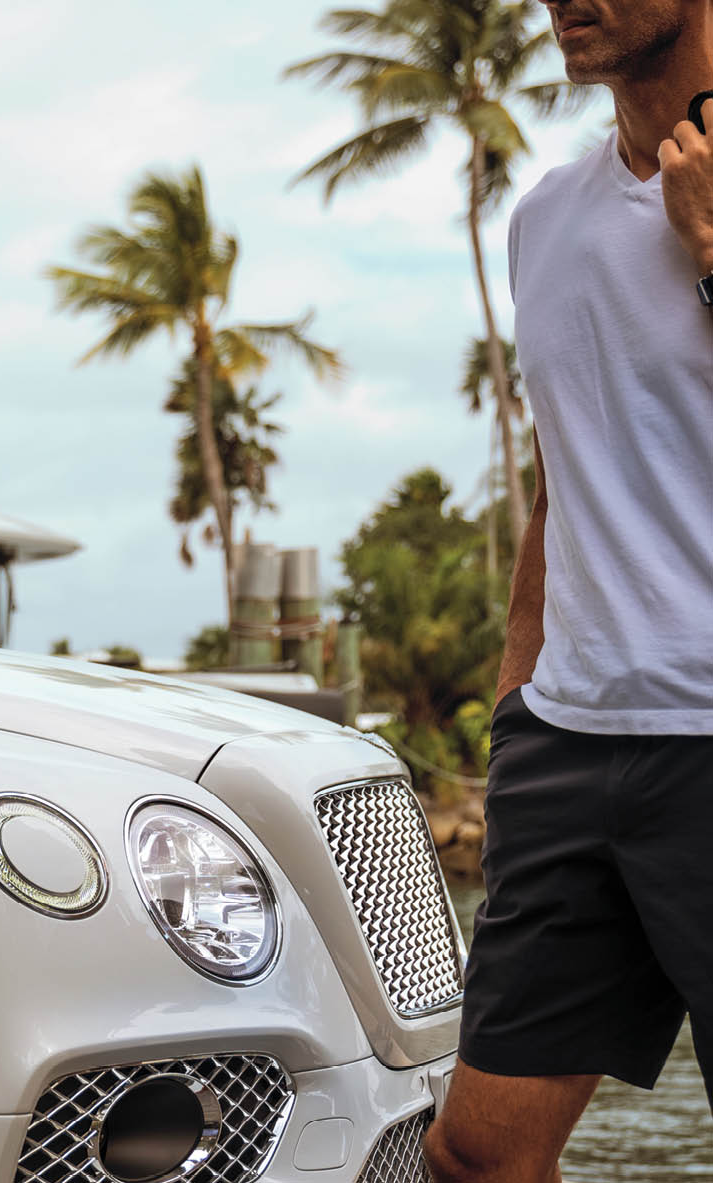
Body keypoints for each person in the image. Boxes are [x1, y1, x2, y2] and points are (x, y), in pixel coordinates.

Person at [423, 0, 713, 1179]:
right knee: (475, 1156)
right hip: (570, 746)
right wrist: (515, 706)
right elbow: (564, 477)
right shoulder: (546, 220)